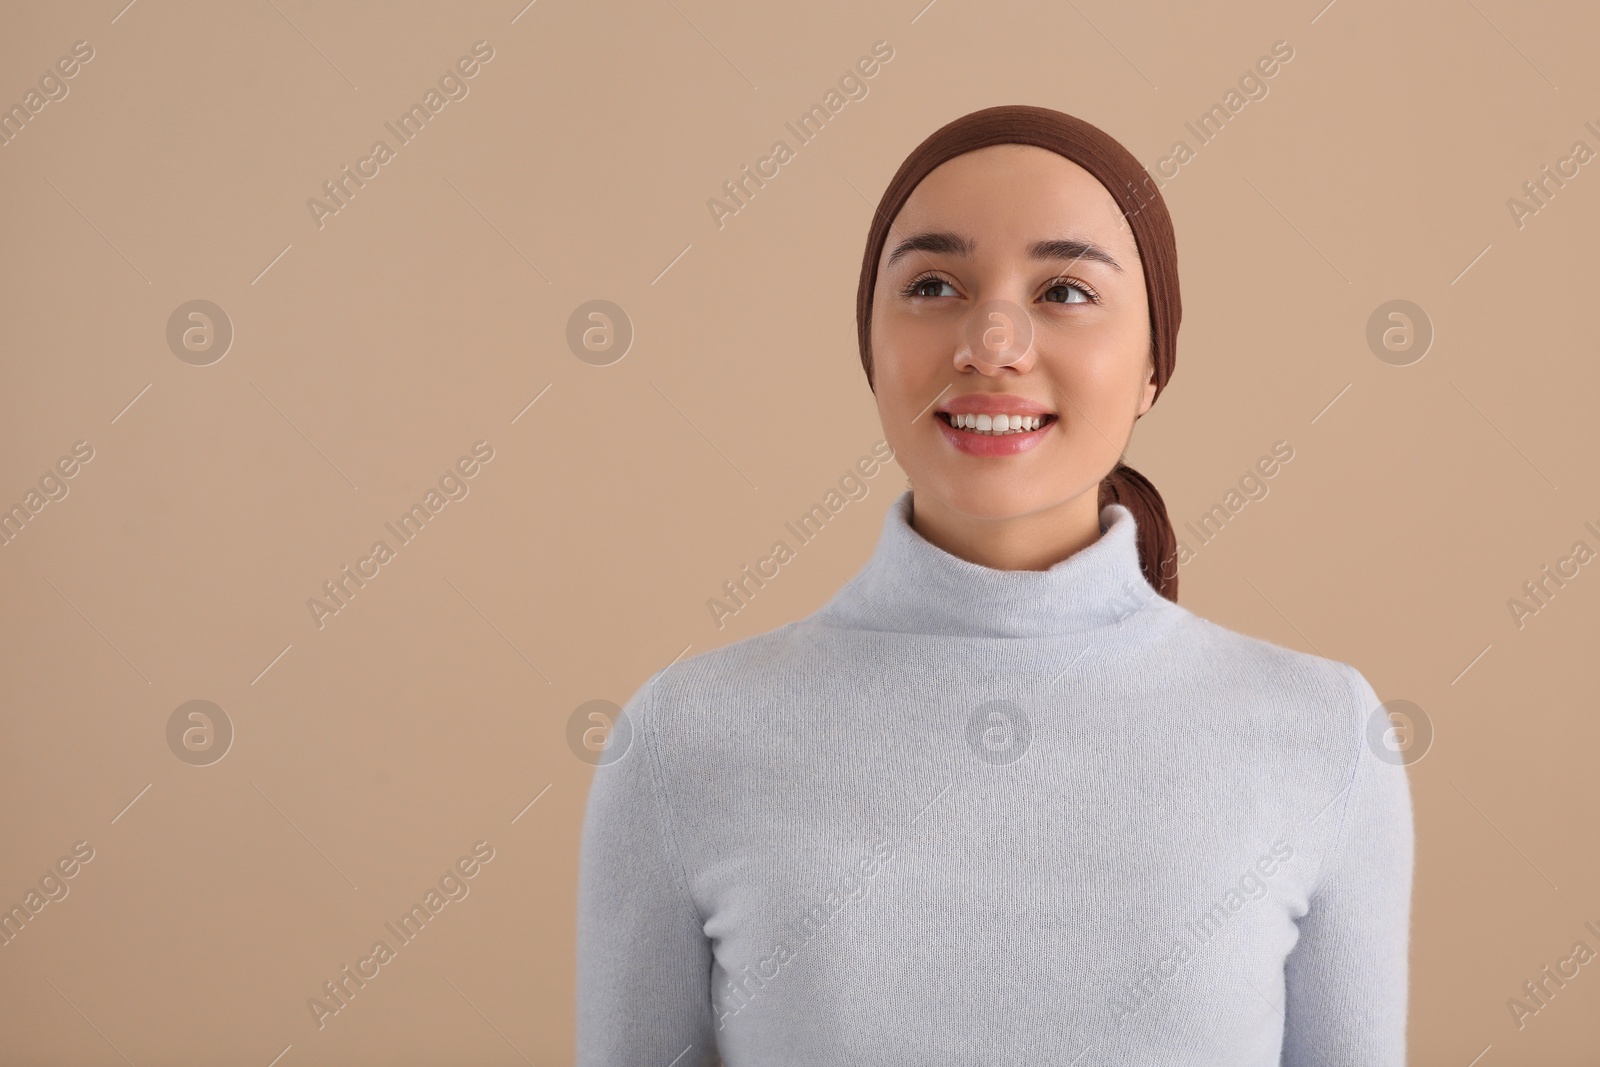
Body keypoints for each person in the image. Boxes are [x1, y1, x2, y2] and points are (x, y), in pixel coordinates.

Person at [576, 103, 1414, 1066]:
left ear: (1152, 366)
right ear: (871, 349)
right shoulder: (686, 738)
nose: (992, 343)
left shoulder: (1321, 733)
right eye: (933, 284)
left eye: (1065, 291)